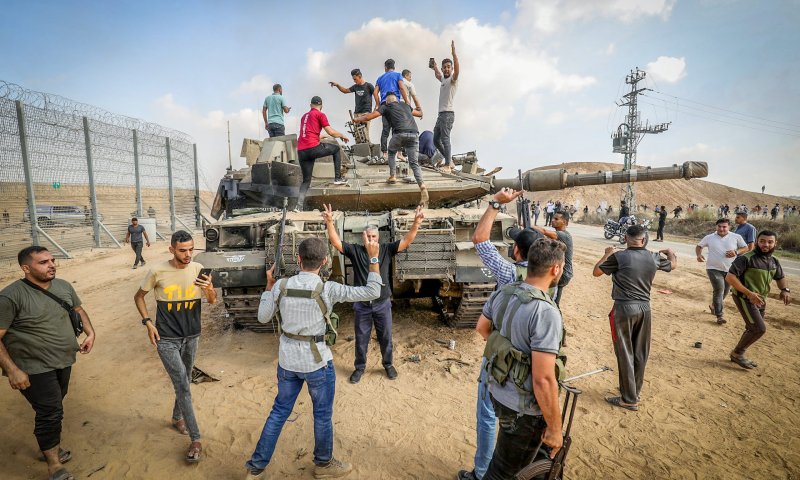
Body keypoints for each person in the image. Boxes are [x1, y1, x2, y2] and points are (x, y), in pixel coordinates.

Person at [244, 236, 383, 479]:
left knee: (278, 412)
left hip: (288, 361)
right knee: (322, 415)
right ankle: (323, 464)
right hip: (317, 362)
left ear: (298, 259)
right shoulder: (328, 289)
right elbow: (373, 290)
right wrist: (373, 258)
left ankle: (256, 468)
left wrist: (269, 287)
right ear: (325, 261)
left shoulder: (281, 286)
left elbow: (263, 317)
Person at [458, 188, 550, 480]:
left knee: (488, 416)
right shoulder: (553, 277)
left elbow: (480, 240)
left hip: (499, 360)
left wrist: (496, 203)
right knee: (520, 423)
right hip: (535, 360)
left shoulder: (508, 274)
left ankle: (483, 472)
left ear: (517, 252)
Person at [0, 246, 96, 480]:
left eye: (52, 260)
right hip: (32, 366)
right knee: (51, 411)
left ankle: (47, 445)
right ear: (26, 268)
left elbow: (78, 309)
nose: (52, 265)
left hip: (63, 360)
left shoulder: (63, 286)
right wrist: (12, 370)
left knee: (53, 406)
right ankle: (54, 465)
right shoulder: (10, 297)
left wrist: (90, 333)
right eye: (43, 262)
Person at [476, 238, 566, 480]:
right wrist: (555, 429)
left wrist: (509, 352)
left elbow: (482, 328)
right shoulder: (546, 311)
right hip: (523, 408)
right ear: (555, 269)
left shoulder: (504, 292)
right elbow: (543, 379)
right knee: (503, 473)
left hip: (499, 391)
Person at [133, 230, 217, 464]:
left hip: (192, 336)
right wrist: (148, 322)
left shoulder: (199, 269)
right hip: (167, 339)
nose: (188, 254)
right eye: (182, 250)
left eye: (191, 249)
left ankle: (176, 417)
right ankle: (196, 439)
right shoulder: (157, 271)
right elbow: (138, 297)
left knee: (185, 379)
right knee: (183, 384)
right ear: (172, 250)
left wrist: (209, 288)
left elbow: (212, 301)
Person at [323, 204, 424, 383]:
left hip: (382, 303)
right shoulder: (355, 251)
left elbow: (407, 240)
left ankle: (388, 364)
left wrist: (416, 223)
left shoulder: (386, 249)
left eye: (374, 236)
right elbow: (336, 242)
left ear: (378, 237)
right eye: (368, 236)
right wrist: (330, 222)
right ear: (363, 237)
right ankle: (359, 367)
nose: (371, 239)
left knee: (386, 337)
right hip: (362, 305)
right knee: (361, 339)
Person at [593, 225, 676, 411]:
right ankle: (634, 392)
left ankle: (629, 399)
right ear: (644, 240)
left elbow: (597, 272)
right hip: (645, 308)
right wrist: (670, 252)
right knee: (640, 353)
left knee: (625, 352)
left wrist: (607, 253)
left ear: (625, 238)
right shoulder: (653, 257)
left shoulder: (619, 257)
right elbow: (673, 265)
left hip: (624, 308)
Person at [725, 230, 790, 369]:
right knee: (759, 329)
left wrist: (785, 290)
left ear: (775, 243)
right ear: (756, 242)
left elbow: (780, 277)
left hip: (760, 299)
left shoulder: (774, 261)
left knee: (752, 327)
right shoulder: (746, 258)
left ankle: (737, 353)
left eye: (770, 242)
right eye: (762, 241)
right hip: (745, 297)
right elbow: (730, 277)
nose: (765, 244)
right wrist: (749, 294)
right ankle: (737, 354)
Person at [354, 91, 427, 204]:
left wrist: (357, 119)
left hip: (399, 134)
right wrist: (419, 108)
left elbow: (369, 116)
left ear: (387, 101)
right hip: (414, 134)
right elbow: (419, 113)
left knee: (391, 152)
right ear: (396, 100)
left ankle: (393, 176)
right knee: (414, 163)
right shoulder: (406, 106)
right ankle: (422, 185)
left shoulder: (386, 106)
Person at [296, 96, 350, 210]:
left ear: (310, 105)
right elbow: (331, 132)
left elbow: (306, 133)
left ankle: (298, 206)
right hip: (312, 148)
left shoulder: (304, 116)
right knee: (336, 149)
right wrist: (342, 135)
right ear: (321, 106)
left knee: (306, 180)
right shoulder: (320, 115)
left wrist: (320, 136)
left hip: (301, 151)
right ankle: (338, 178)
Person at [696, 219, 748, 324]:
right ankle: (719, 315)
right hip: (713, 268)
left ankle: (713, 306)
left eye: (724, 227)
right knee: (719, 290)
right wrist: (699, 255)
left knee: (725, 291)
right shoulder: (709, 237)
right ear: (716, 227)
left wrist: (736, 252)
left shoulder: (736, 237)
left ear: (729, 227)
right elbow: (699, 246)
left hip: (730, 271)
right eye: (719, 226)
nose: (721, 229)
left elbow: (745, 247)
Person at [430, 40, 460, 173]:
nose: (447, 69)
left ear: (451, 69)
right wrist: (435, 66)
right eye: (445, 67)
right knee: (435, 140)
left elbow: (458, 70)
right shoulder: (443, 79)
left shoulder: (453, 80)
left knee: (445, 139)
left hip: (447, 114)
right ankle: (449, 160)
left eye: (449, 67)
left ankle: (447, 165)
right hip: (441, 115)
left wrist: (454, 54)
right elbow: (438, 74)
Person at [532, 211, 573, 307]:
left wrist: (529, 227)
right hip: (561, 271)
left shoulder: (564, 235)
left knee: (551, 302)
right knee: (554, 301)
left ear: (564, 222)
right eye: (553, 218)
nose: (553, 220)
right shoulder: (558, 234)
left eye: (556, 219)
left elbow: (544, 231)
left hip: (563, 273)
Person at [373, 59, 410, 161]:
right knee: (398, 129)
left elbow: (375, 93)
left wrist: (378, 104)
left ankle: (385, 154)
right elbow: (402, 88)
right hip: (395, 105)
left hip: (384, 105)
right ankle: (399, 153)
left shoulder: (380, 78)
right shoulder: (398, 75)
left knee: (385, 130)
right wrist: (407, 101)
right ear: (394, 67)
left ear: (385, 68)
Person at [329, 69, 375, 143]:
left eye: (355, 79)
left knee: (364, 134)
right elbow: (345, 91)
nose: (354, 81)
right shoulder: (355, 87)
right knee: (357, 135)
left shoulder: (368, 86)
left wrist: (377, 107)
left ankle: (368, 148)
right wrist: (337, 85)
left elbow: (376, 95)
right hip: (357, 113)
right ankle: (358, 148)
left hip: (366, 113)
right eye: (353, 79)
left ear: (360, 76)